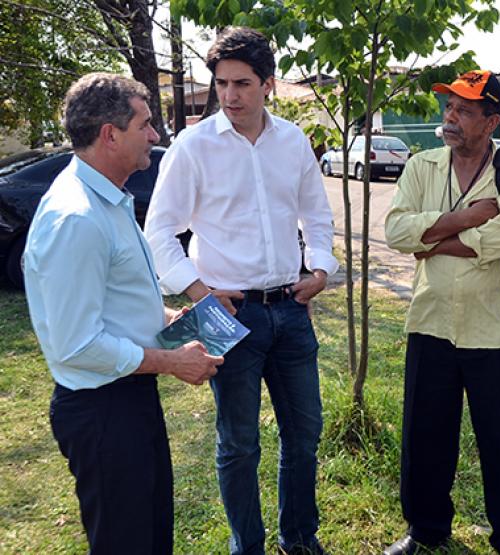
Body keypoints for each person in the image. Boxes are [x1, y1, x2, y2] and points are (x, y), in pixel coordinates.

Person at [144, 27, 338, 555]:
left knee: (304, 436)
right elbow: (159, 230)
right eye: (222, 83)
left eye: (243, 84)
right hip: (227, 314)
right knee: (239, 445)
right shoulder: (193, 146)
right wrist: (198, 290)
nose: (230, 95)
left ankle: (298, 540)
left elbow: (317, 218)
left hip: (290, 310)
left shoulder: (293, 141)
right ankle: (246, 547)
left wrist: (320, 270)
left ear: (268, 84)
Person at [23, 73, 223, 554]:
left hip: (127, 399)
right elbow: (78, 344)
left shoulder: (105, 198)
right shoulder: (77, 218)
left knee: (150, 535)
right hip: (101, 411)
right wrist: (172, 362)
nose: (155, 136)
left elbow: (111, 299)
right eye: (145, 124)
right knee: (124, 541)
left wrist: (166, 315)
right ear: (110, 135)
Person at [383, 70, 500, 555]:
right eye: (450, 107)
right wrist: (467, 219)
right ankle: (424, 529)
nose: (451, 118)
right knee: (425, 433)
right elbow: (396, 232)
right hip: (430, 321)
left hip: (493, 328)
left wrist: (435, 242)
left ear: (493, 120)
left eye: (465, 110)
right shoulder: (422, 166)